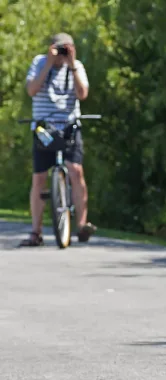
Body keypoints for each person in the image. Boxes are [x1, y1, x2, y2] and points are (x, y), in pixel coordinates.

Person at [19, 32, 96, 247]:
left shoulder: (76, 66)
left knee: (76, 170)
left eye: (66, 49)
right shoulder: (39, 63)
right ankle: (36, 232)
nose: (62, 53)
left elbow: (82, 94)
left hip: (70, 126)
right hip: (44, 128)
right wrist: (49, 63)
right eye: (59, 49)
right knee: (39, 177)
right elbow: (32, 90)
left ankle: (81, 224)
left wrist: (71, 64)